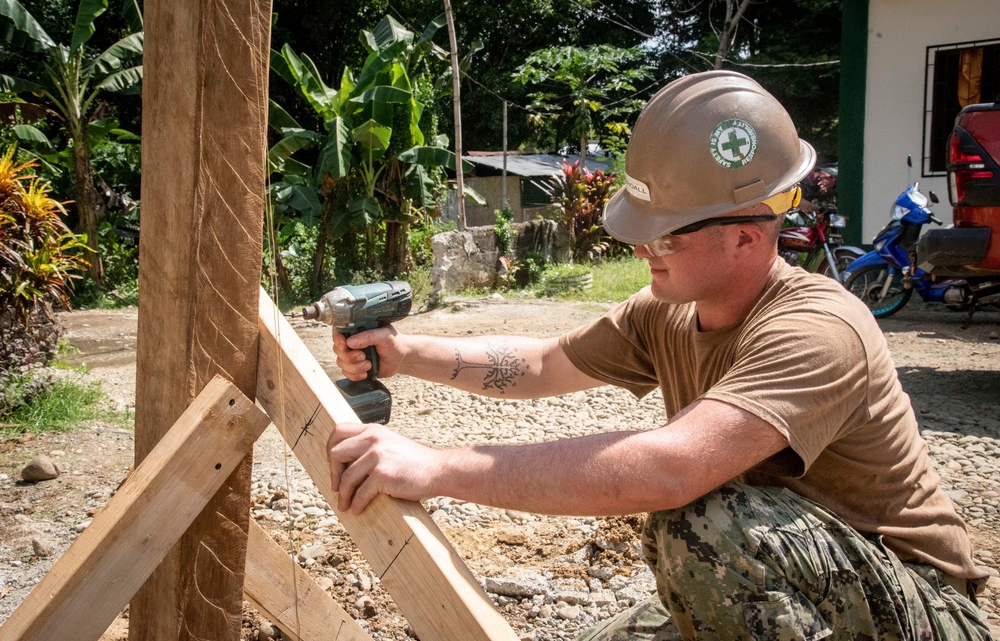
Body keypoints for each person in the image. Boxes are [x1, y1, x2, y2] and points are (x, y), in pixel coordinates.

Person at [327, 71, 990, 639]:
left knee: (703, 520)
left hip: (917, 605)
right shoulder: (667, 311)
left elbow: (670, 470)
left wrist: (438, 467)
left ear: (746, 233)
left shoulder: (818, 329)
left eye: (663, 236)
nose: (640, 249)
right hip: (797, 581)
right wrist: (403, 352)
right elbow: (540, 365)